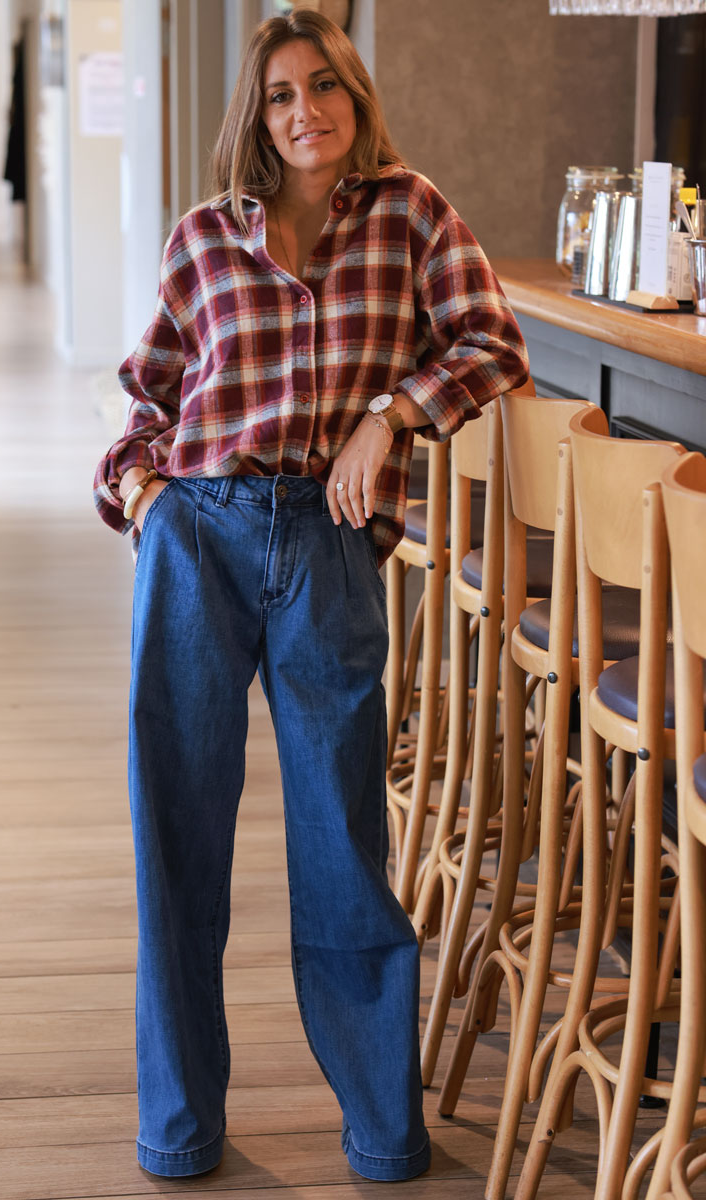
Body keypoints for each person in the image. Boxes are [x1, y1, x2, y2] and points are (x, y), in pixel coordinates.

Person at [93, 9, 529, 1183]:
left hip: (329, 549)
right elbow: (145, 390)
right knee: (176, 836)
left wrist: (388, 419)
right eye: (282, 93)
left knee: (343, 839)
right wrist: (142, 497)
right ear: (259, 113)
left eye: (324, 85)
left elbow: (492, 340)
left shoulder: (409, 211)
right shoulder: (202, 239)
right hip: (199, 538)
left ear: (355, 96)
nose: (305, 110)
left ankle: (383, 1133)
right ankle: (178, 1127)